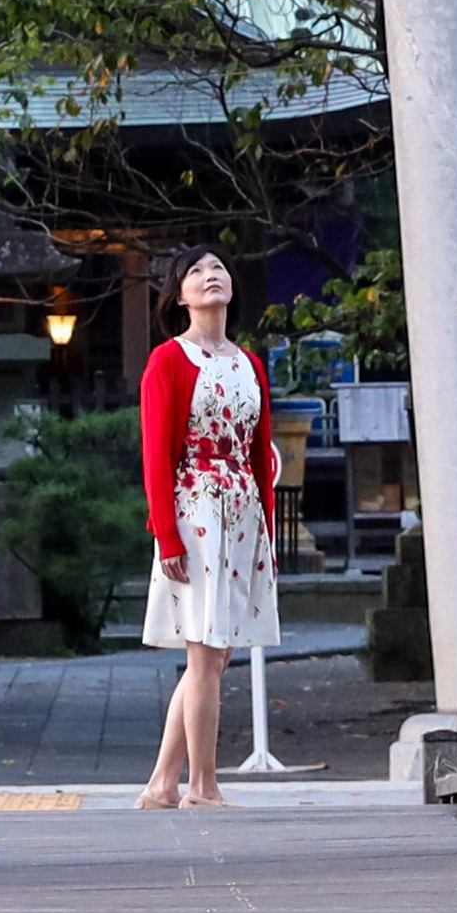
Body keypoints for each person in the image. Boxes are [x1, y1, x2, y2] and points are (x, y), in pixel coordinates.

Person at [134, 243, 277, 807]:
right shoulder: (168, 360)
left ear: (232, 285)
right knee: (203, 652)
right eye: (195, 271)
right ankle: (203, 785)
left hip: (242, 510)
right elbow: (156, 455)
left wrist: (266, 533)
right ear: (179, 295)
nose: (209, 275)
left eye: (218, 266)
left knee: (216, 656)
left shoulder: (250, 364)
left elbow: (259, 453)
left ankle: (162, 784)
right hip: (194, 508)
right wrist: (165, 534)